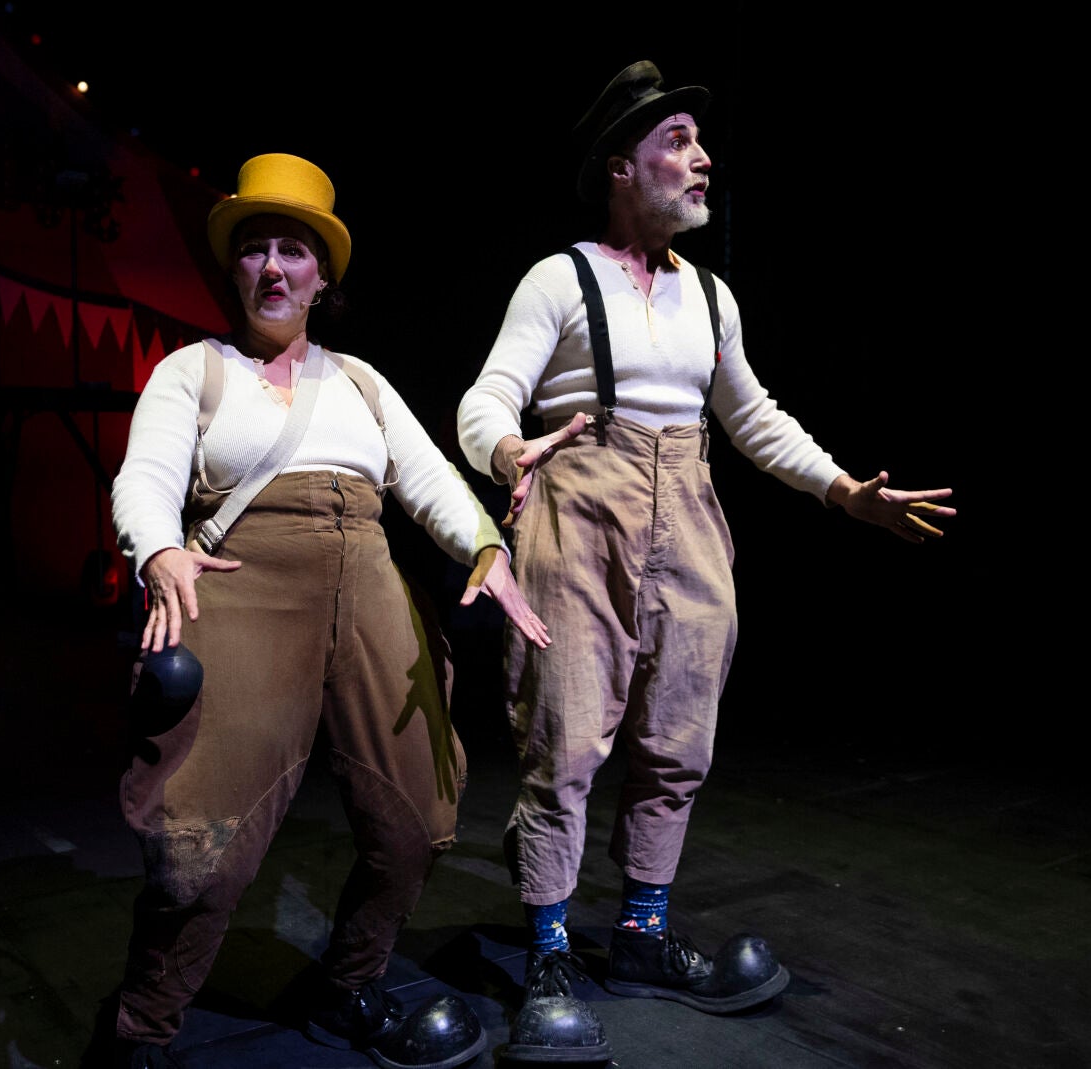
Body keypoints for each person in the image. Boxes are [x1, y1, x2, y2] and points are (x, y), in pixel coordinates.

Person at [455, 61, 959, 1060]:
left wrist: (843, 490)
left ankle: (641, 934)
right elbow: (486, 398)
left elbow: (751, 415)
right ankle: (548, 951)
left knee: (678, 736)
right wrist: (509, 449)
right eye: (677, 142)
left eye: (699, 142)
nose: (702, 160)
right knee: (567, 738)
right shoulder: (560, 279)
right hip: (581, 508)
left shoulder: (711, 296)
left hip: (686, 510)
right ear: (621, 166)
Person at [101, 153, 548, 1069]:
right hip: (244, 582)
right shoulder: (194, 371)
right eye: (255, 249)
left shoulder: (362, 382)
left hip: (369, 581)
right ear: (235, 269)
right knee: (204, 842)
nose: (273, 267)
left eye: (293, 251)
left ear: (322, 276)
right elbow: (144, 476)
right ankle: (141, 1030)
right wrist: (158, 548)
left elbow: (427, 478)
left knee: (417, 816)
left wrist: (486, 546)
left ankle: (348, 985)